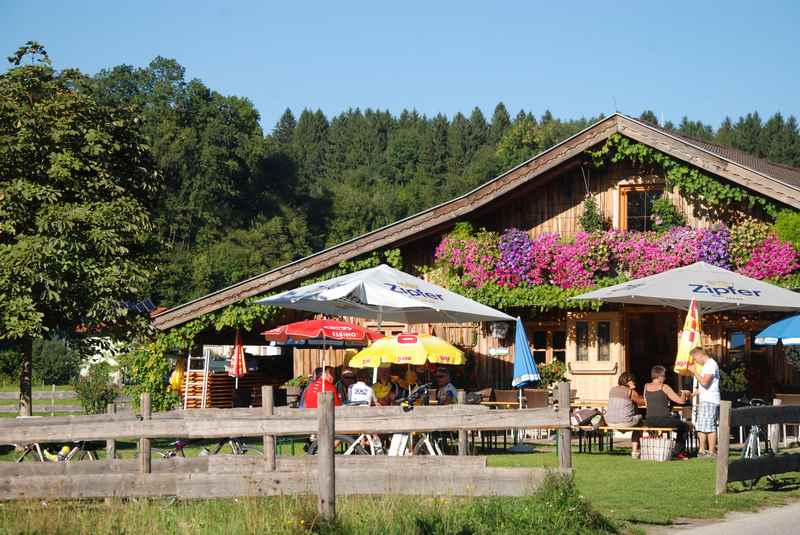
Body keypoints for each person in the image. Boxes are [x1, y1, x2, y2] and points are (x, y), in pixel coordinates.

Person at [643, 365, 691, 458]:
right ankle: (677, 451)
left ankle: (670, 450)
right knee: (684, 426)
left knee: (676, 423)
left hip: (649, 420)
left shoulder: (646, 386)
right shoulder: (664, 387)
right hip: (663, 420)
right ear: (659, 376)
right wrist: (684, 393)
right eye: (664, 376)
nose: (665, 378)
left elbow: (646, 404)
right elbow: (681, 401)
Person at [690, 347, 721, 456]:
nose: (695, 361)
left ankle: (711, 451)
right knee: (702, 425)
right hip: (706, 399)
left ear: (699, 355)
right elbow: (704, 387)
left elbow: (704, 382)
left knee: (709, 426)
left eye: (695, 358)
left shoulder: (710, 364)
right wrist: (692, 394)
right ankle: (702, 450)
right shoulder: (707, 366)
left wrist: (694, 372)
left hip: (710, 400)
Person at [606, 372, 645, 458]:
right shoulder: (630, 391)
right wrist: (636, 392)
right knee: (640, 421)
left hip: (610, 422)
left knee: (634, 419)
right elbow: (642, 402)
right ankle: (635, 451)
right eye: (632, 381)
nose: (634, 382)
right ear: (627, 381)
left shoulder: (612, 390)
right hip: (625, 422)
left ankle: (637, 449)